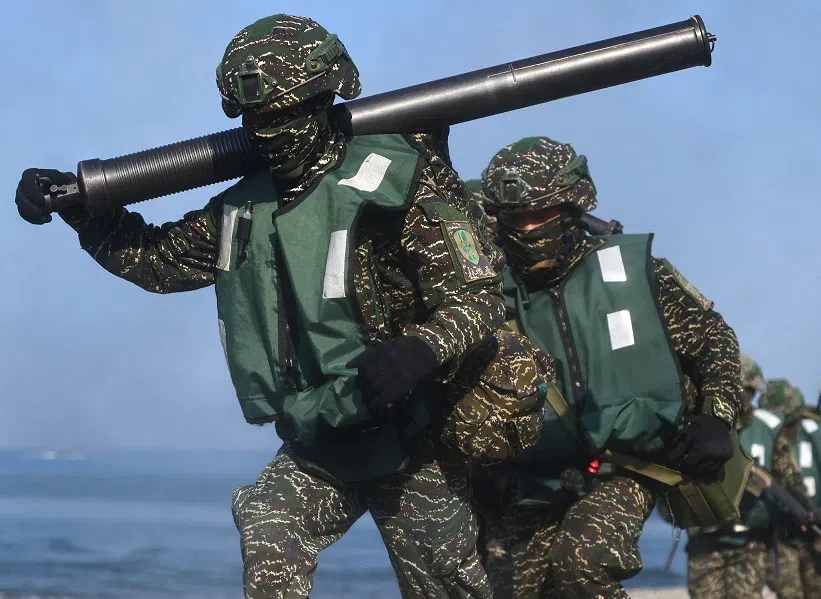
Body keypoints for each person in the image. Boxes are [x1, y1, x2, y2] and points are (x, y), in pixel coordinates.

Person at [15, 14, 554, 599]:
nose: (268, 131)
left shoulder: (401, 184)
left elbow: (478, 292)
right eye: (255, 120)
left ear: (326, 97)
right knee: (269, 526)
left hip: (411, 441)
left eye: (283, 114)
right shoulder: (242, 209)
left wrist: (422, 348)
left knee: (447, 586)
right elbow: (157, 263)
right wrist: (84, 215)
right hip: (320, 438)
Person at [470, 136, 743, 598]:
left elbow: (713, 338)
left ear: (573, 206)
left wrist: (718, 417)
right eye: (516, 218)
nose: (529, 228)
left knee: (582, 561)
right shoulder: (488, 291)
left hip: (629, 464)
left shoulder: (634, 274)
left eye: (541, 214)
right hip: (537, 476)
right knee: (506, 585)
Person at [671, 357, 809, 598]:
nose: (740, 398)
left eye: (746, 391)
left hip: (751, 542)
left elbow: (790, 482)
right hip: (705, 541)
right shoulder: (696, 424)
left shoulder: (769, 429)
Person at [763, 381, 821, 599]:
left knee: (813, 591)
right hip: (791, 529)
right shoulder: (817, 430)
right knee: (795, 591)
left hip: (812, 529)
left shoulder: (774, 435)